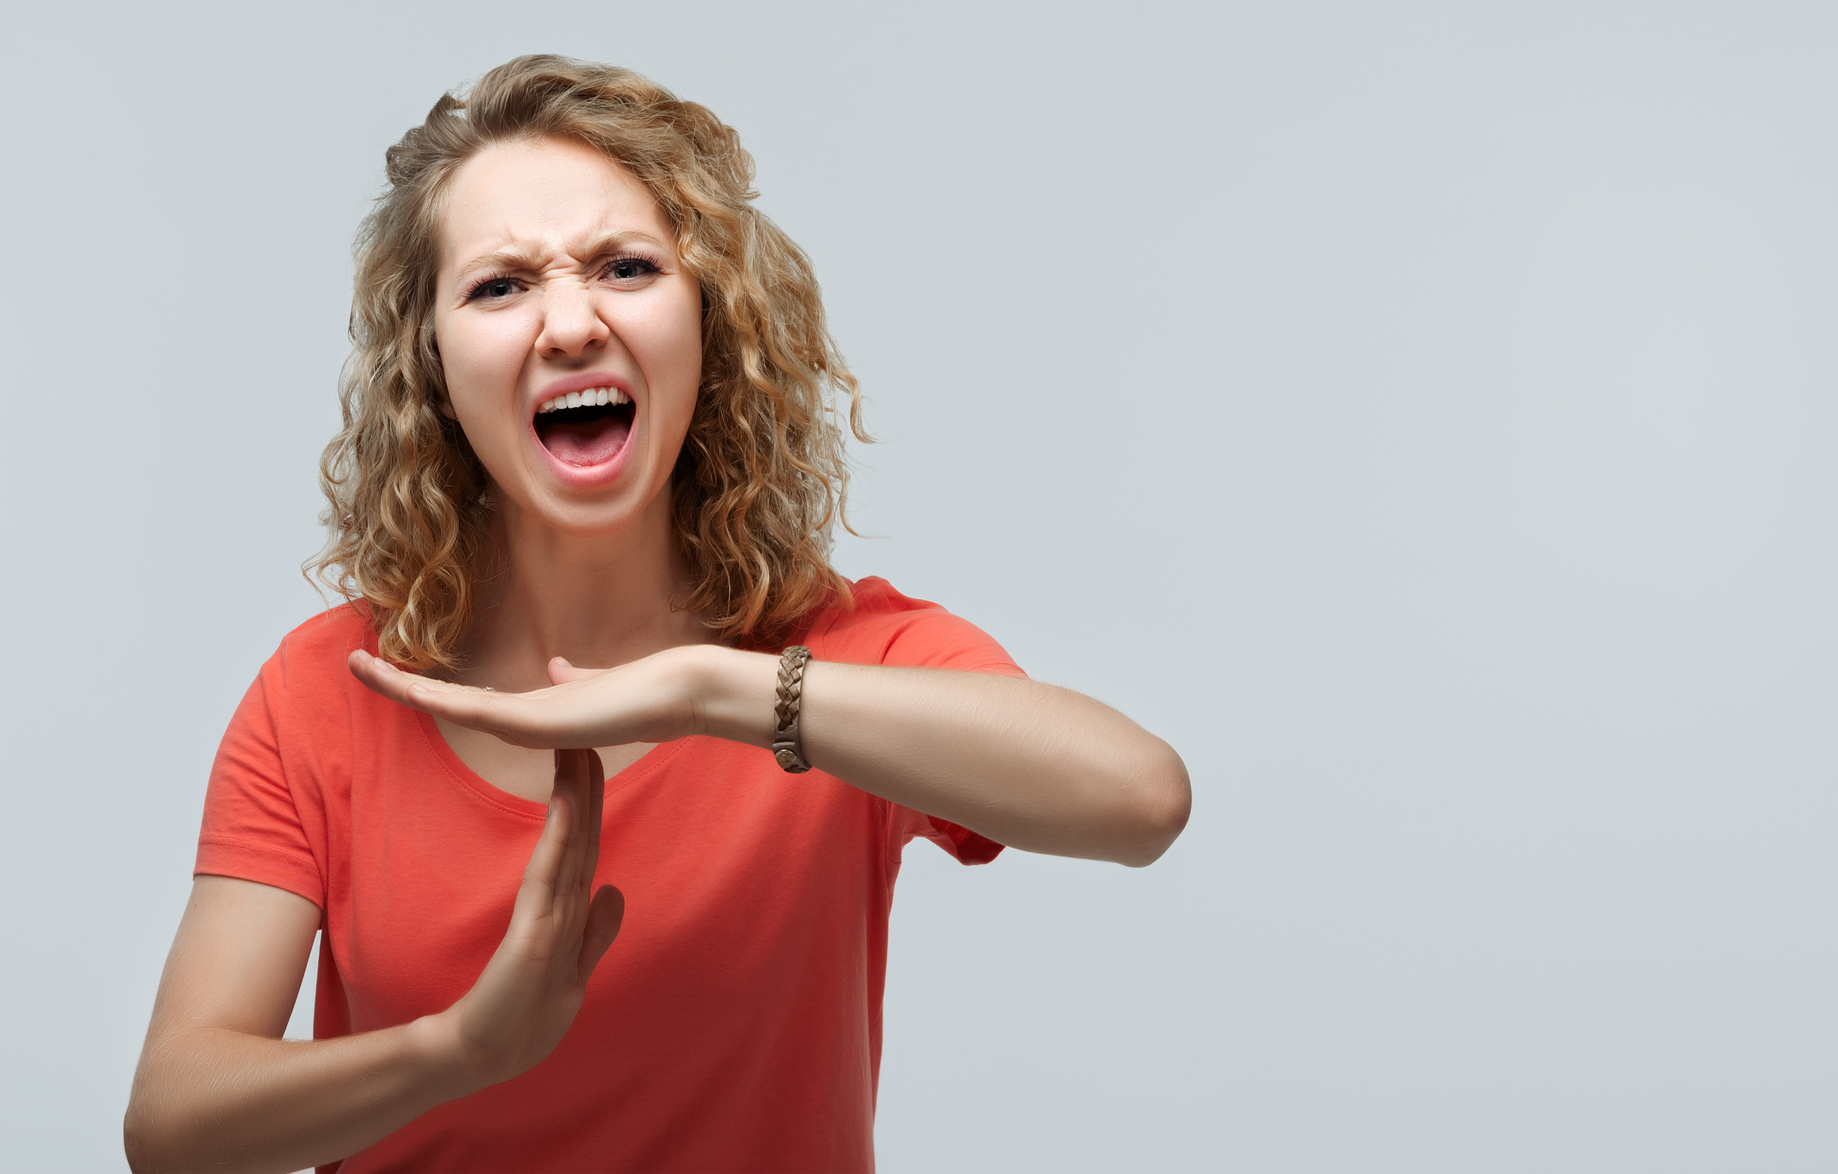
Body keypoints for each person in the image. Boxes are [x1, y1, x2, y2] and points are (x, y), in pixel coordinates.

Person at [121, 55, 1190, 1174]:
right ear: (432, 366)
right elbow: (173, 1126)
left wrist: (713, 689)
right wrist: (456, 1050)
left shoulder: (842, 660)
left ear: (708, 324)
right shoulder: (327, 689)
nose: (571, 322)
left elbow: (1141, 799)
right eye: (500, 286)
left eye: (626, 267)